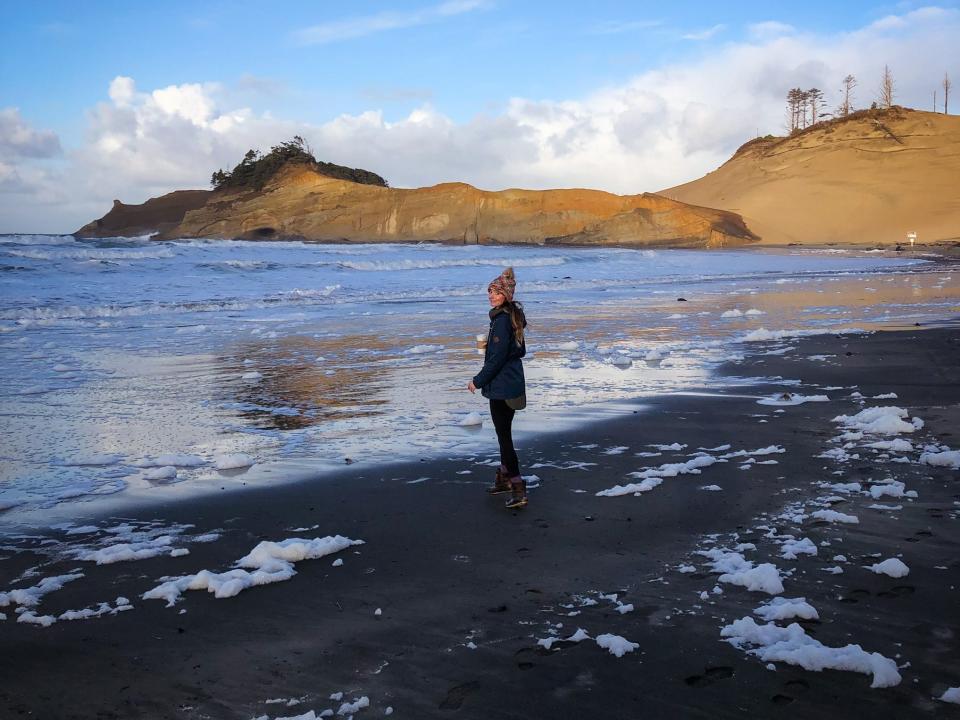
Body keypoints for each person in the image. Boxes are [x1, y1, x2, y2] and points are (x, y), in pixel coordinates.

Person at [468, 267, 528, 509]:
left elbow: (497, 359)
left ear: (506, 295)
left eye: (496, 292)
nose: (491, 296)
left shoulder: (502, 321)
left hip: (503, 386)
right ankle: (504, 479)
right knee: (503, 434)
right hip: (511, 382)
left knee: (504, 438)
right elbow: (519, 351)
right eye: (490, 292)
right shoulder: (510, 317)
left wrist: (477, 380)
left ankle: (517, 486)